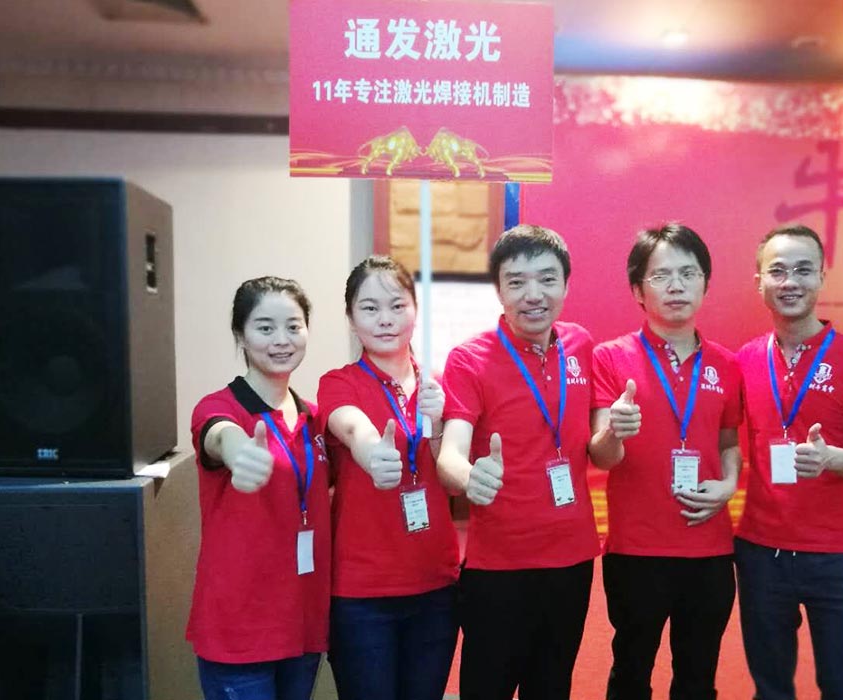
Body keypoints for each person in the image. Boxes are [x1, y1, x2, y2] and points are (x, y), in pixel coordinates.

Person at [437, 224, 600, 700]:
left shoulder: (580, 345)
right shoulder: (469, 359)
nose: (533, 295)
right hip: (499, 567)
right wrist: (469, 477)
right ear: (499, 290)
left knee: (551, 687)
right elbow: (450, 453)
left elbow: (600, 443)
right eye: (517, 282)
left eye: (547, 279)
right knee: (486, 688)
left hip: (572, 559)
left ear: (566, 284)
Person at [735, 224, 843, 700]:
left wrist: (831, 458)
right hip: (761, 552)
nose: (790, 282)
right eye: (777, 271)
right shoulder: (743, 361)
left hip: (835, 554)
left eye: (804, 270)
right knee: (771, 688)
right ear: (759, 282)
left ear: (822, 277)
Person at [589, 223, 742, 700]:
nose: (676, 285)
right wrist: (614, 431)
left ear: (705, 284)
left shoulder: (727, 364)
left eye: (688, 273)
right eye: (661, 276)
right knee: (631, 672)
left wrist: (729, 485)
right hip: (637, 551)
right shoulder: (610, 358)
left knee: (698, 677)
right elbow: (602, 455)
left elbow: (728, 443)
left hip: (709, 549)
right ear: (639, 290)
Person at [318, 255, 459, 700]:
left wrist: (438, 423)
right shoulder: (339, 382)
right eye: (369, 308)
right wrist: (372, 453)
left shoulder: (439, 385)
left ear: (415, 310)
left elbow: (452, 477)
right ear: (350, 318)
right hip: (362, 592)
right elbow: (351, 426)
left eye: (397, 306)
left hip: (435, 583)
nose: (385, 319)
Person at [187, 276, 330, 700]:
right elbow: (218, 435)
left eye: (293, 326)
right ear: (241, 336)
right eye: (265, 328)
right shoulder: (220, 407)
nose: (281, 340)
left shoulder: (314, 418)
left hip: (301, 623)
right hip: (240, 629)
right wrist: (236, 452)